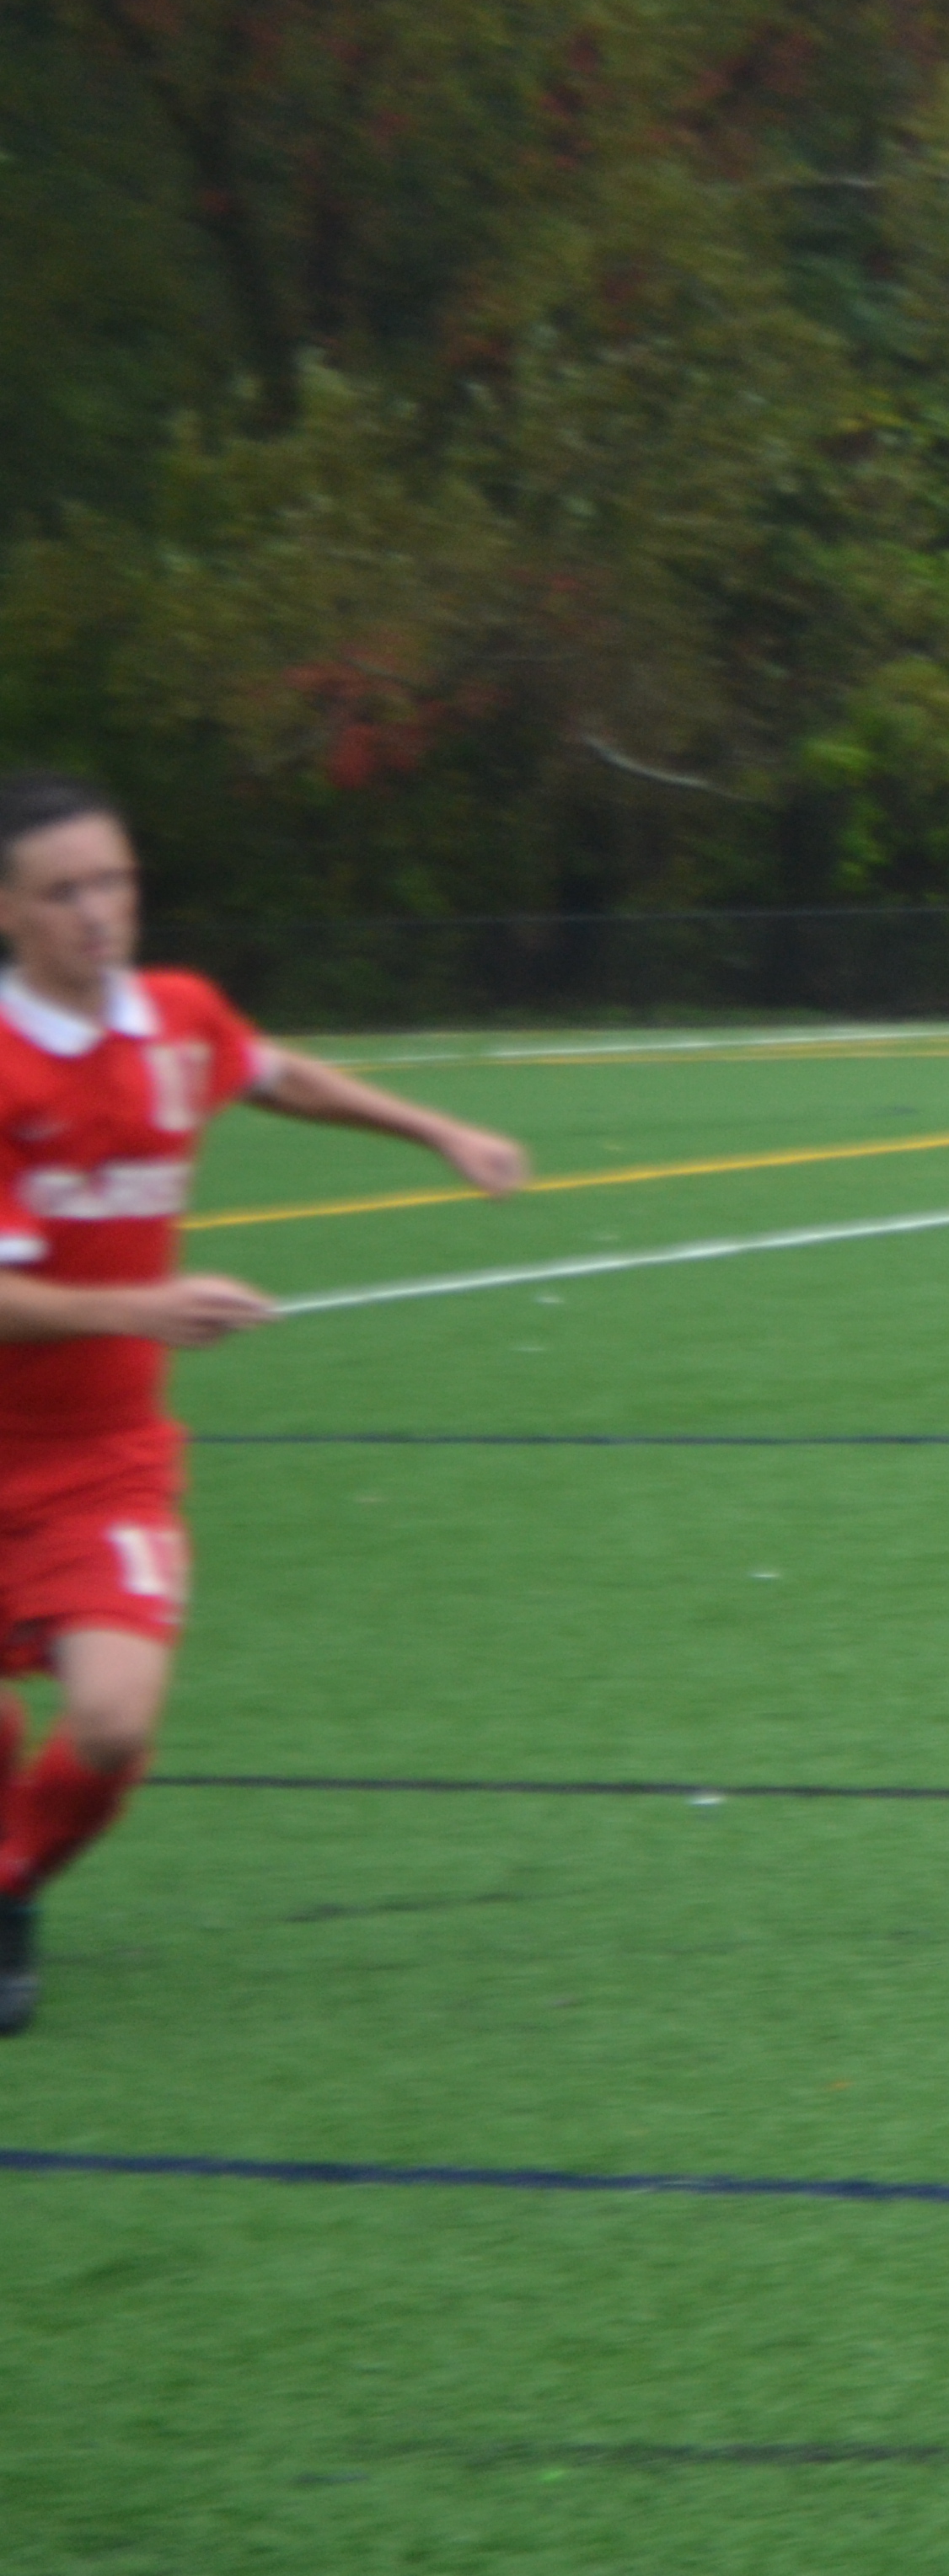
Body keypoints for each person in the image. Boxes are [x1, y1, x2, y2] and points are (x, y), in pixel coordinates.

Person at [0, 774, 528, 2035]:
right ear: (9, 911)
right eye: (63, 890)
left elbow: (278, 1075)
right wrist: (136, 1307)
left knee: (114, 1724)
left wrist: (438, 1128)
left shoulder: (175, 1016)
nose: (97, 911)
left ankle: (10, 1888)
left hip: (106, 1453)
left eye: (112, 880)